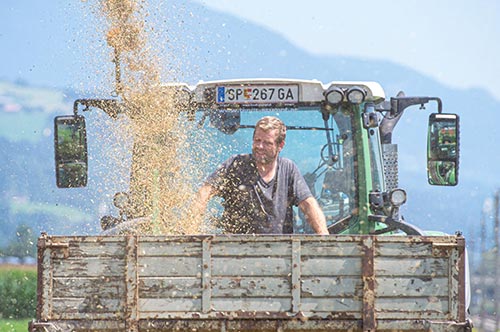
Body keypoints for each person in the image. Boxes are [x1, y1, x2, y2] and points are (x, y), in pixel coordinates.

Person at [193, 116, 329, 235]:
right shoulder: (236, 165)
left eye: (267, 143)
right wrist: (191, 230)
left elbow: (308, 204)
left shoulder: (288, 169)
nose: (260, 146)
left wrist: (324, 236)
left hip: (281, 255)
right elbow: (205, 192)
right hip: (233, 252)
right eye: (257, 140)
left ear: (280, 145)